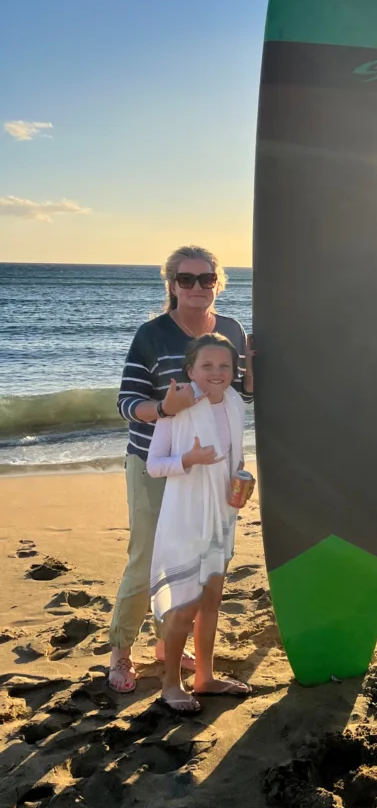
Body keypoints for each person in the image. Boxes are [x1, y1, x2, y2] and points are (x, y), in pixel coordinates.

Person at [108, 245, 254, 694]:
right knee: (149, 555)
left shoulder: (230, 329)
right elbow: (127, 403)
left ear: (217, 283)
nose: (197, 287)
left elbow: (238, 396)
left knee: (200, 560)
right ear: (171, 284)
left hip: (211, 475)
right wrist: (164, 408)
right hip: (157, 462)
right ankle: (121, 651)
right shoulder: (151, 334)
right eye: (186, 279)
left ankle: (165, 643)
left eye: (206, 279)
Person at [147, 333, 251, 713]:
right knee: (185, 605)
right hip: (187, 516)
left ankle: (205, 678)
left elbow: (232, 453)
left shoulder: (237, 402)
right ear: (190, 370)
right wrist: (188, 459)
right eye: (207, 366)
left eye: (225, 365)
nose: (217, 372)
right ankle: (171, 684)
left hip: (223, 513)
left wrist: (238, 475)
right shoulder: (179, 409)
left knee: (212, 599)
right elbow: (154, 465)